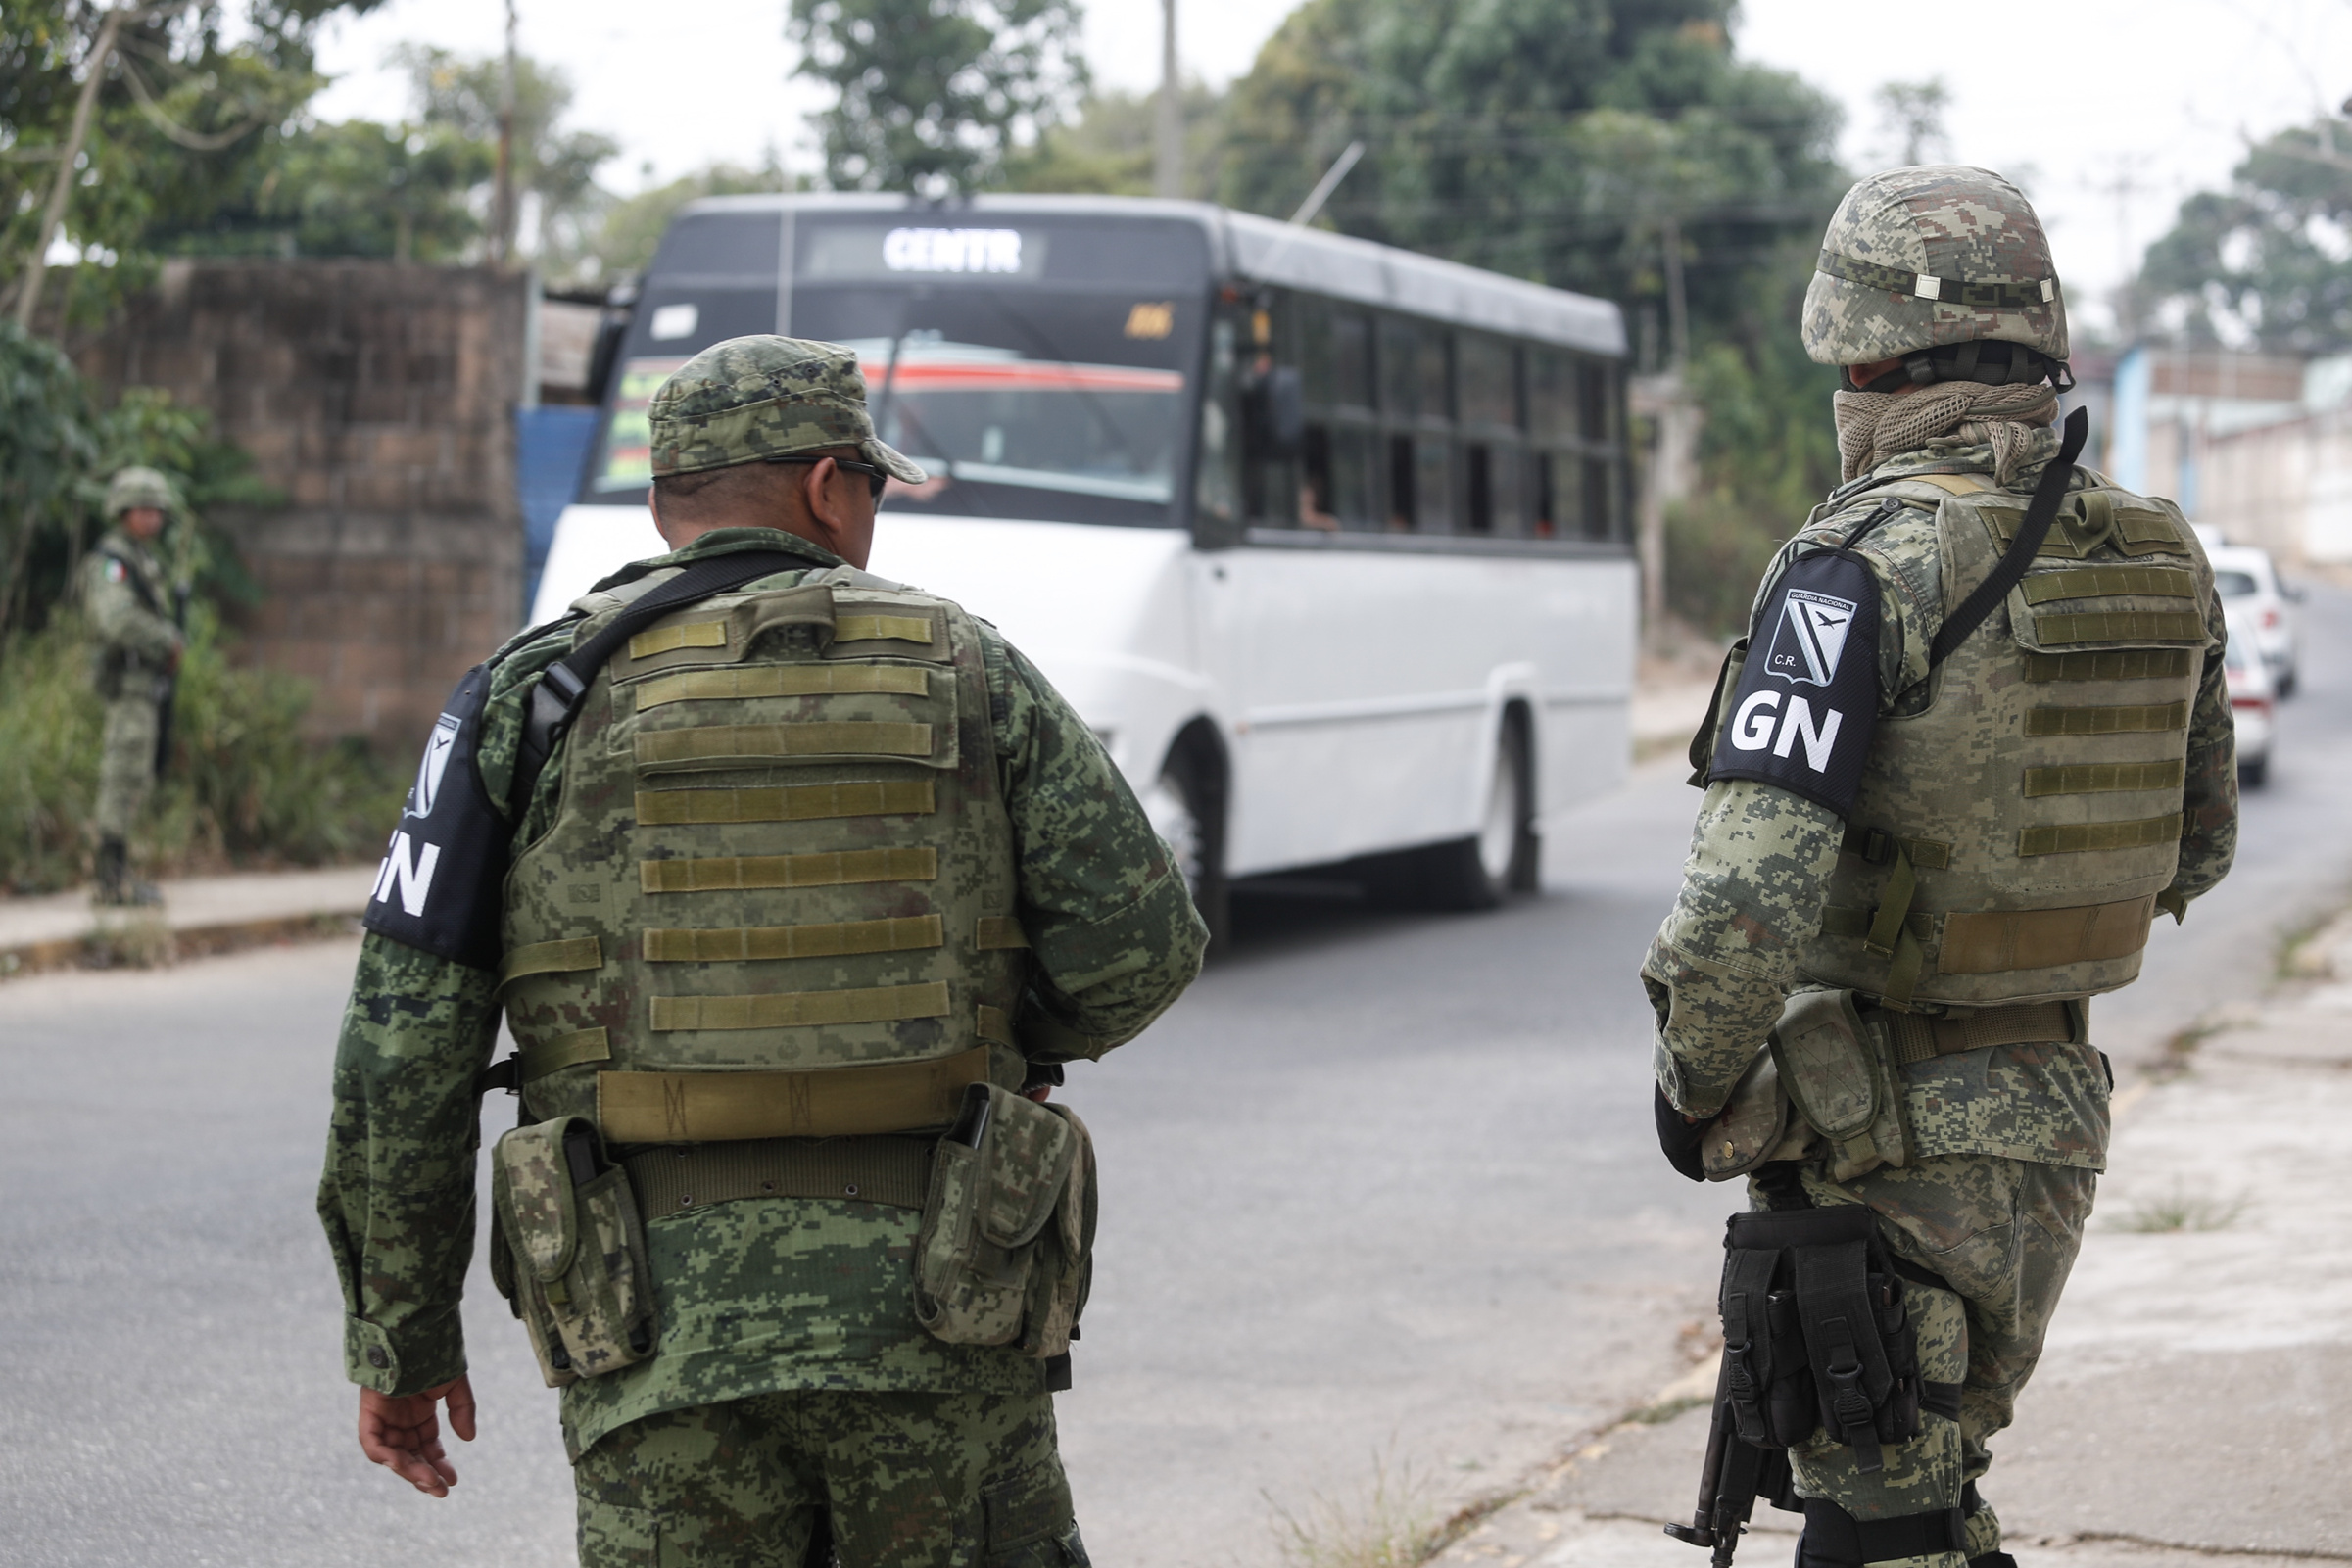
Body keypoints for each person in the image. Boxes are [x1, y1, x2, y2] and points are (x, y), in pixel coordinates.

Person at [318, 335, 1208, 1566]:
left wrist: (403, 1341)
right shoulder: (974, 668)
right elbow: (1143, 948)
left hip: (651, 1327)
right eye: (873, 485)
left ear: (664, 502)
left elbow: (401, 1046)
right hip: (945, 1303)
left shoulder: (527, 695)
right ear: (828, 485)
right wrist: (1009, 1037)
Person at [1646, 166, 2236, 1568]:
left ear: (1863, 362)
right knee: (1927, 1494)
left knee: (1878, 1524)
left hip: (1880, 1139)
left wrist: (1692, 1083)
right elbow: (2199, 850)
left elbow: (1741, 901)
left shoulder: (1857, 564)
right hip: (2056, 1120)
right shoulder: (2157, 549)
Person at [79, 465, 184, 907]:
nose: (152, 517)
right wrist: (165, 640)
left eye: (156, 509)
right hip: (127, 684)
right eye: (143, 509)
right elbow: (116, 620)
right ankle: (110, 880)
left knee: (136, 776)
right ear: (123, 511)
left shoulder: (141, 558)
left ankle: (118, 873)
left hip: (145, 686)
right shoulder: (113, 562)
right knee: (122, 776)